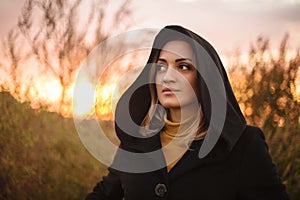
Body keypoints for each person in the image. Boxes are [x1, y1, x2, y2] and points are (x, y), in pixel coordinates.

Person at [85, 25, 289, 199]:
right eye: (161, 67)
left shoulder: (243, 144)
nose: (168, 77)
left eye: (183, 67)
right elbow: (104, 194)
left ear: (205, 79)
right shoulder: (137, 141)